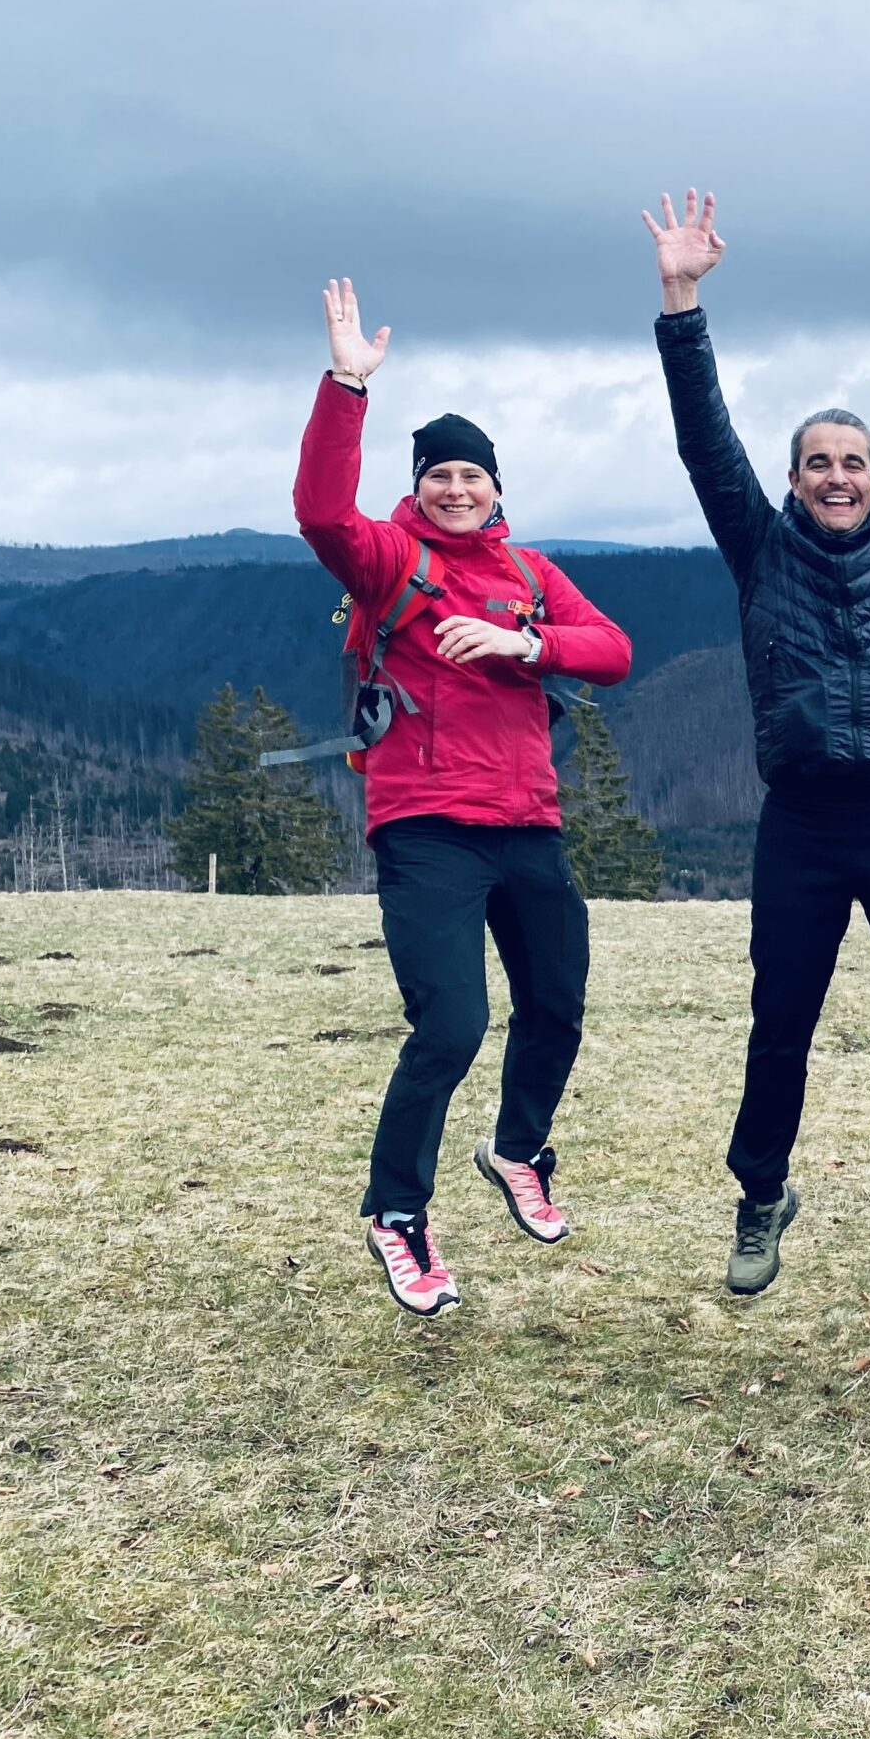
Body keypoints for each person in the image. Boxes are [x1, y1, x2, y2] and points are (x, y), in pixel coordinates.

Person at [643, 189, 870, 1294]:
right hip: (800, 822)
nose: (836, 476)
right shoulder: (759, 550)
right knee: (780, 1017)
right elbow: (705, 439)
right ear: (793, 481)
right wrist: (682, 297)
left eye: (853, 463)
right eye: (816, 463)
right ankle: (760, 1196)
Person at [294, 278, 633, 1317]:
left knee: (559, 1009)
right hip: (427, 827)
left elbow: (613, 650)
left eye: (471, 475)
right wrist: (348, 383)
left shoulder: (528, 571)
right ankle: (397, 1213)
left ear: (495, 487)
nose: (454, 489)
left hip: (527, 824)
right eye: (438, 474)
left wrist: (526, 643)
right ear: (420, 486)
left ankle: (519, 1148)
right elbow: (318, 508)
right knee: (450, 1025)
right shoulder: (388, 557)